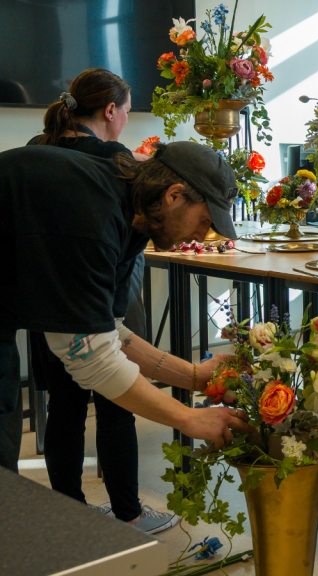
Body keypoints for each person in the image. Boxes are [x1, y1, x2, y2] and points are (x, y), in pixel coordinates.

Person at [0, 141, 252, 480]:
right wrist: (187, 417)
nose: (203, 234)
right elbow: (87, 352)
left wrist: (192, 376)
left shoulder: (132, 219)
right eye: (205, 219)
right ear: (174, 196)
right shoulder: (93, 214)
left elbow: (108, 329)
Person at [26, 68, 179, 533]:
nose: (126, 120)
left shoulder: (37, 149)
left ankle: (69, 512)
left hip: (45, 299)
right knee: (117, 403)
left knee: (64, 408)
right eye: (126, 112)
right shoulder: (116, 161)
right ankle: (129, 514)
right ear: (110, 111)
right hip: (102, 295)